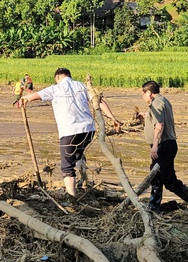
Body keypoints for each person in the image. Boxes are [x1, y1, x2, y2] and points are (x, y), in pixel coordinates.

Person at [17, 67, 122, 199]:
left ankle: (72, 198)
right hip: (88, 131)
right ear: (69, 76)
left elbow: (34, 96)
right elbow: (98, 101)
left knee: (67, 167)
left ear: (57, 78)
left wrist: (24, 99)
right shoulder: (82, 86)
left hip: (69, 131)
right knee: (78, 154)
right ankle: (83, 180)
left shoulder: (55, 88)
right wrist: (112, 118)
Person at [140, 80, 188, 213]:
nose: (143, 96)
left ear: (149, 92)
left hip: (163, 145)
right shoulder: (162, 101)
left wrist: (155, 146)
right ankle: (154, 207)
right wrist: (147, 115)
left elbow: (160, 125)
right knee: (156, 177)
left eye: (143, 93)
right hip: (166, 145)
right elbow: (160, 117)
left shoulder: (157, 103)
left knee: (169, 180)